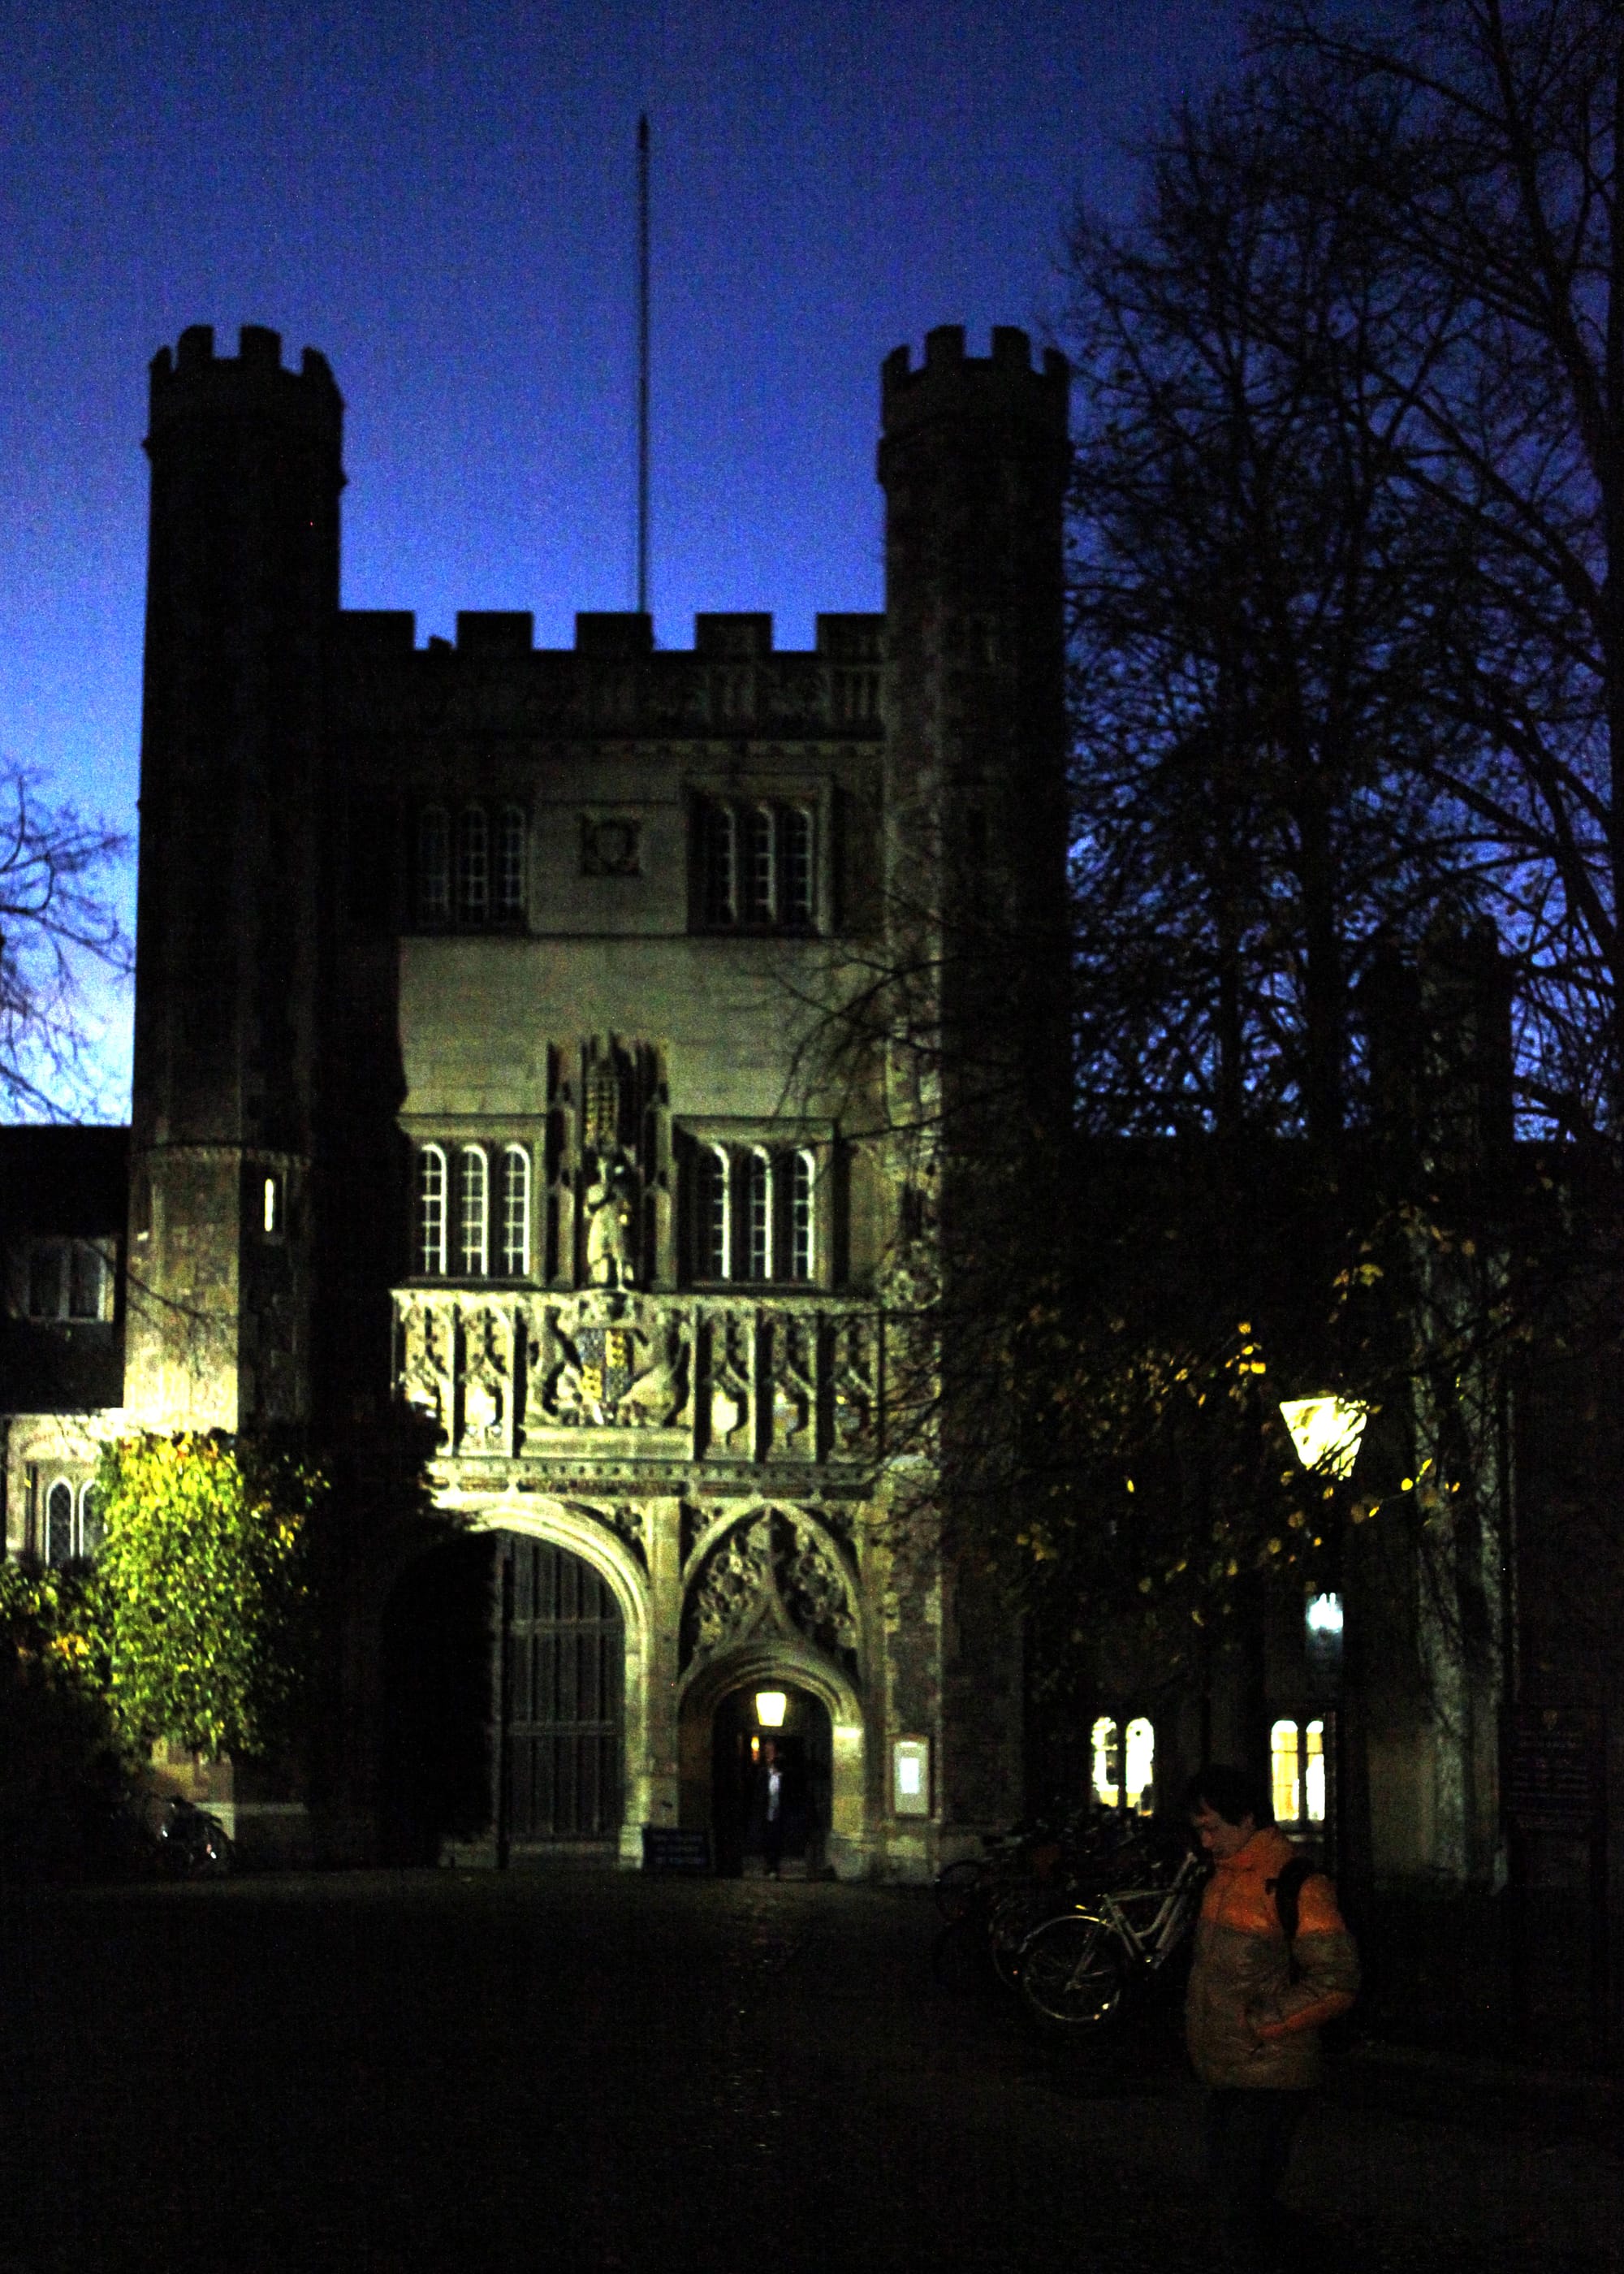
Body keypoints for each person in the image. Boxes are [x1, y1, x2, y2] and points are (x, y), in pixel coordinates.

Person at [1183, 1764, 1359, 2272]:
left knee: (1240, 2202)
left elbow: (1337, 1979)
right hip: (1227, 2069)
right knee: (1236, 2196)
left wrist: (1262, 2026)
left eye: (1213, 1826)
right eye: (1200, 1828)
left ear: (1249, 1819)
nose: (1205, 1839)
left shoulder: (1296, 1884)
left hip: (1272, 2074)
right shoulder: (1222, 1877)